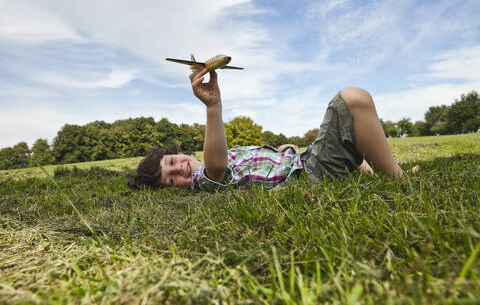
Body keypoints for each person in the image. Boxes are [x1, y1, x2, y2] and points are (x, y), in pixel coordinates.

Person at [127, 67, 418, 192]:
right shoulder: (204, 180)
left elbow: (259, 161)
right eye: (170, 179)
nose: (180, 170)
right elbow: (215, 167)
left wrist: (285, 150)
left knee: (354, 143)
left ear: (177, 154)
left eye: (171, 162)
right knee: (353, 100)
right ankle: (399, 180)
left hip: (303, 159)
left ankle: (377, 173)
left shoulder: (227, 154)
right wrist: (213, 107)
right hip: (309, 174)